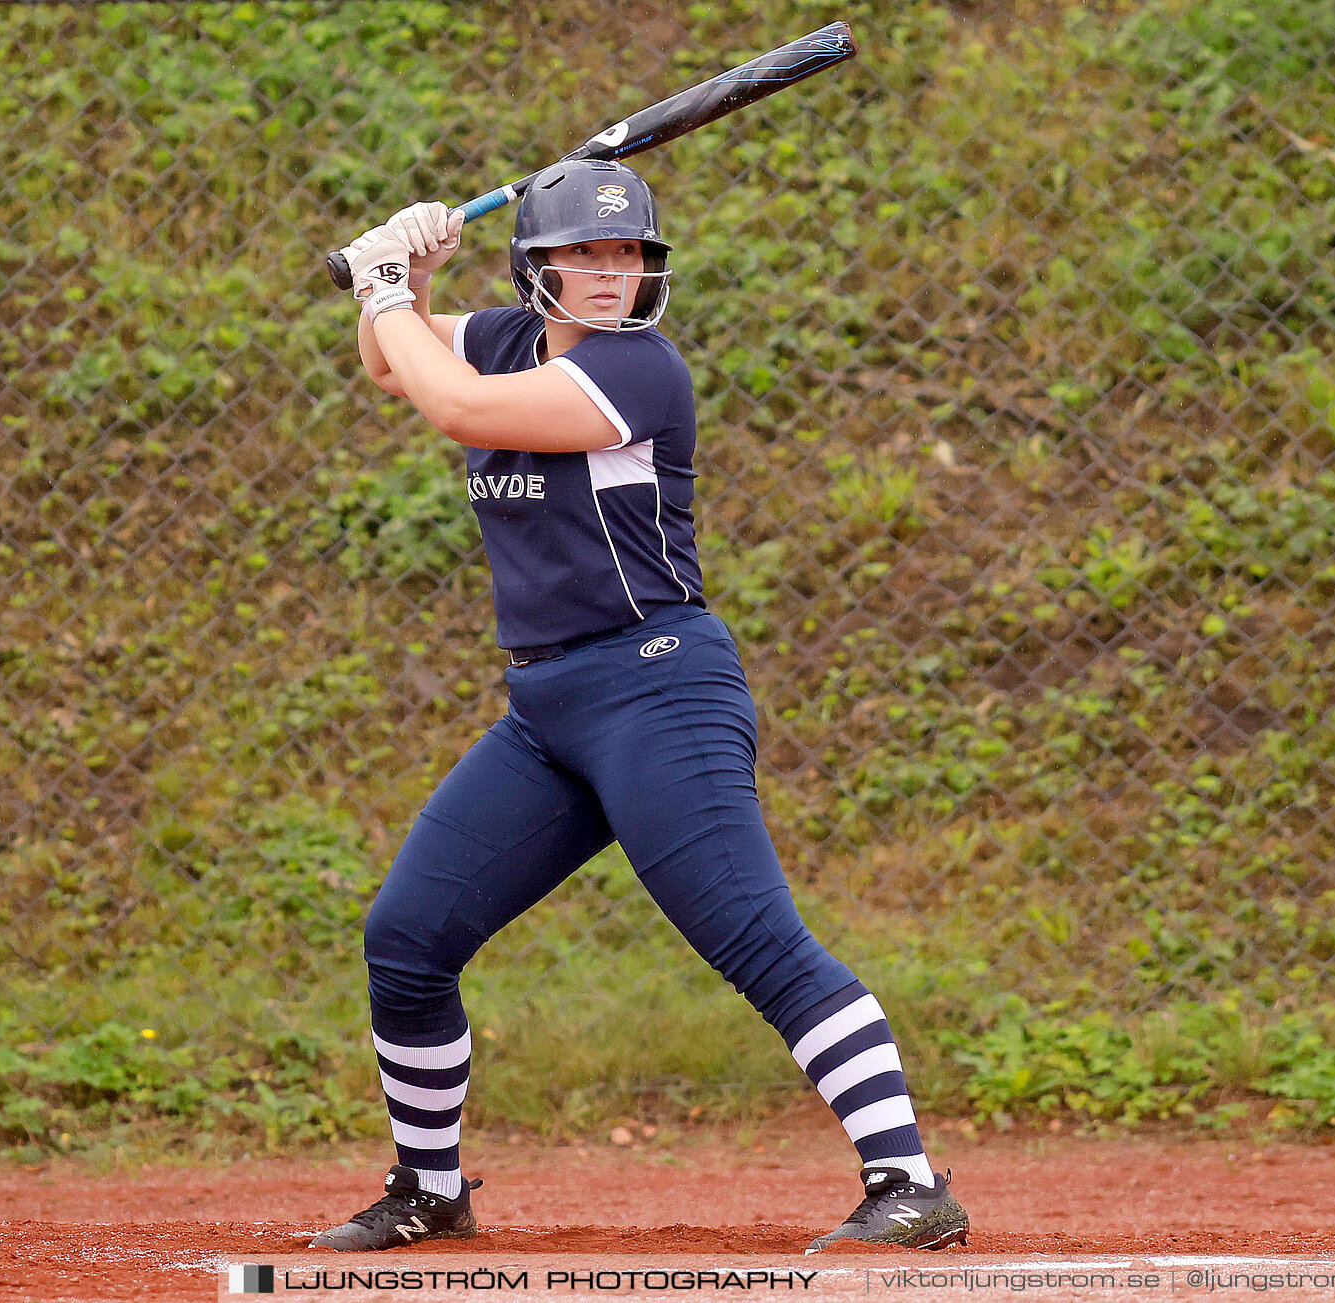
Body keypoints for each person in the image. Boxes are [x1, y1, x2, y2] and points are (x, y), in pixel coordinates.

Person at [310, 159, 969, 1256]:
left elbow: (455, 406)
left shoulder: (639, 371)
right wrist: (412, 280)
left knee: (753, 934)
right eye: (587, 253)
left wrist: (381, 285)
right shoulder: (508, 338)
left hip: (658, 688)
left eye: (629, 255)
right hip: (550, 710)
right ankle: (430, 1189)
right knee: (408, 935)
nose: (613, 274)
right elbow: (396, 368)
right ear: (537, 267)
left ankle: (909, 1181)